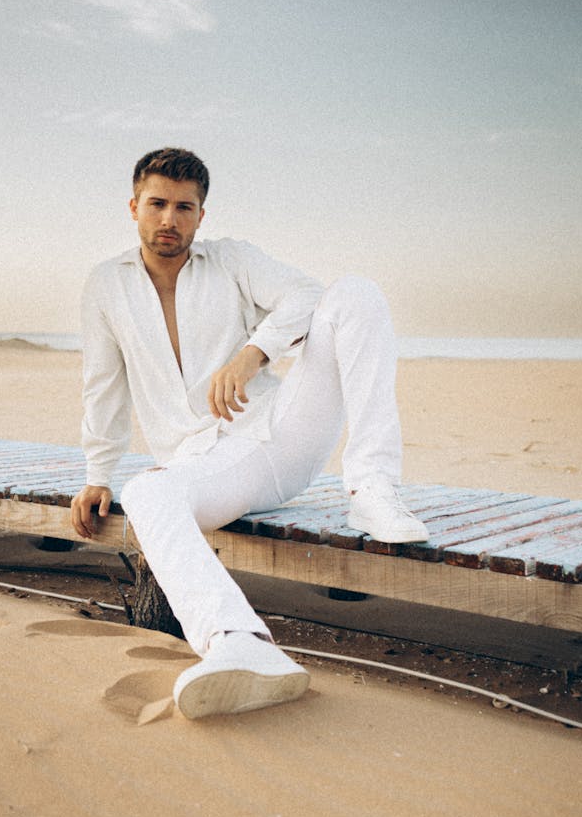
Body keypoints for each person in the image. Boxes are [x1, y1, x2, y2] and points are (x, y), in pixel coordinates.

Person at [71, 148, 427, 720]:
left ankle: (372, 489)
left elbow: (309, 296)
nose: (170, 219)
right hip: (209, 464)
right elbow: (103, 385)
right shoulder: (105, 286)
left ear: (201, 215)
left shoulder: (231, 260)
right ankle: (238, 643)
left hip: (282, 431)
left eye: (184, 207)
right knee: (145, 492)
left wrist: (253, 353)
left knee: (355, 292)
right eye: (157, 204)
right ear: (134, 206)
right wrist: (97, 475)